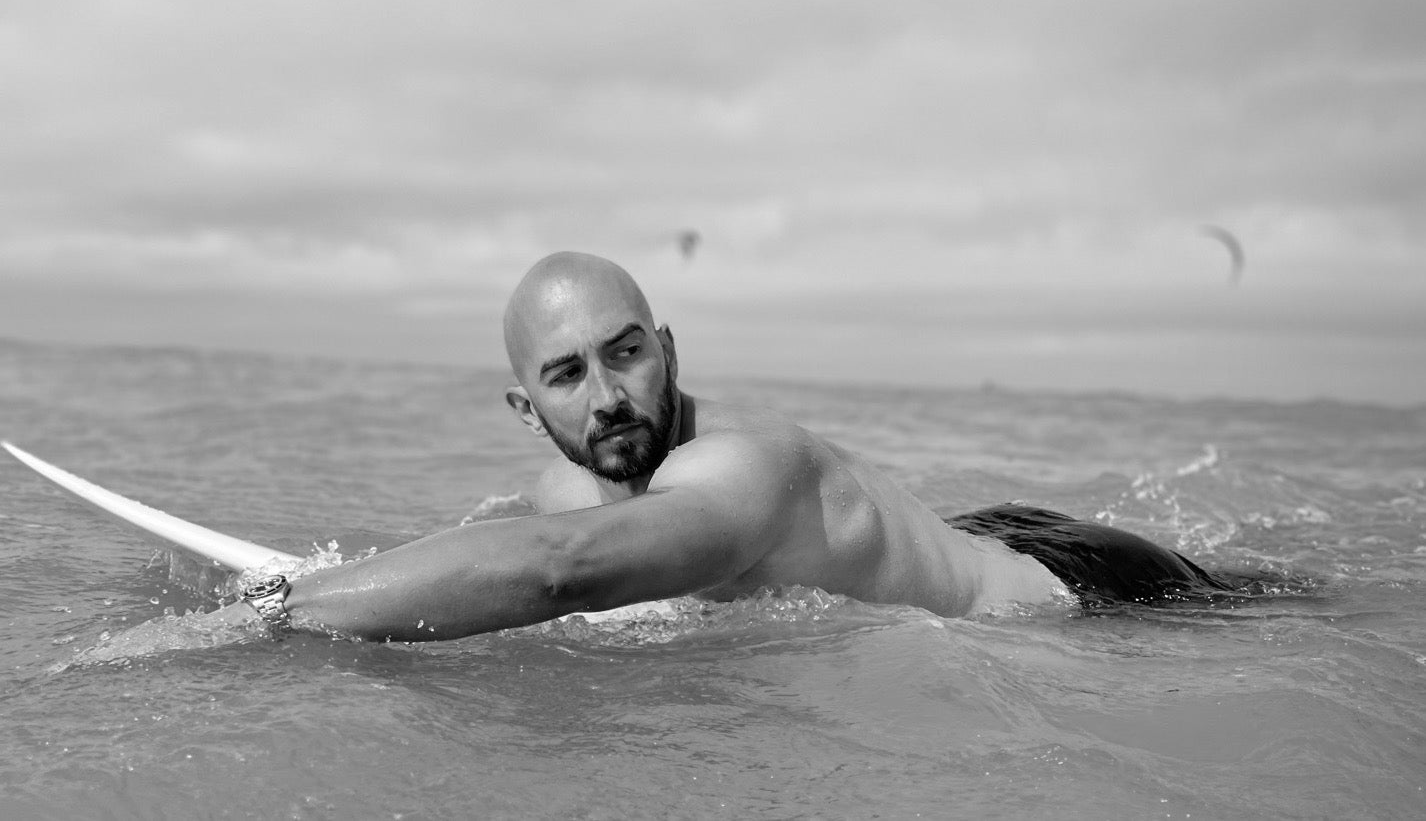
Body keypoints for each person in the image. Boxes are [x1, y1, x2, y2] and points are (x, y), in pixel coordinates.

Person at [206, 251, 1252, 641]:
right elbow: (494, 552)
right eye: (568, 374)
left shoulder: (734, 472)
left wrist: (289, 608)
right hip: (958, 531)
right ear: (527, 410)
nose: (610, 395)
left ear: (667, 349)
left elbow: (555, 574)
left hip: (1075, 585)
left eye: (625, 353)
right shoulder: (566, 482)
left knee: (1285, 602)